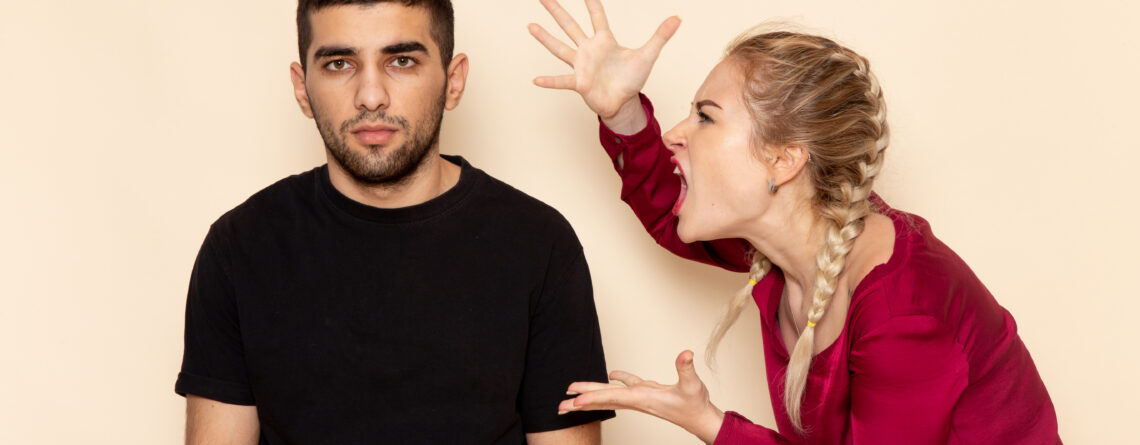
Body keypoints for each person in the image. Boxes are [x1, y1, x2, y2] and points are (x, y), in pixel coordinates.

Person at [528, 0, 1061, 443]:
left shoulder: (904, 310)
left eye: (705, 116)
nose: (675, 133)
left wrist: (711, 425)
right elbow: (674, 212)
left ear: (784, 160)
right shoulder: (791, 244)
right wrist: (621, 111)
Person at [174, 1, 615, 443]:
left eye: (401, 61)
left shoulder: (539, 244)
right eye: (339, 63)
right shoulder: (240, 248)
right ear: (302, 88)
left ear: (454, 81)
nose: (371, 96)